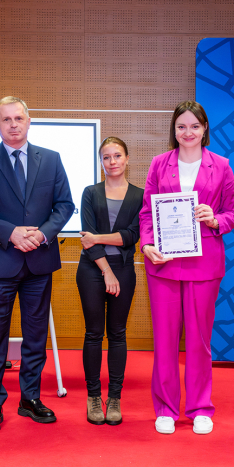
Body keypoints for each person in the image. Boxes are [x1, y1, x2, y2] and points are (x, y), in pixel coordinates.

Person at [0, 96, 74, 434]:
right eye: (6, 119)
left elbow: (64, 205)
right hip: (0, 262)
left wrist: (41, 235)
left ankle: (30, 398)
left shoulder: (51, 160)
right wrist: (11, 233)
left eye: (19, 118)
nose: (13, 124)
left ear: (29, 121)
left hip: (39, 261)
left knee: (35, 336)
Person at [139, 100, 234, 436]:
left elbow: (233, 214)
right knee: (165, 340)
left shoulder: (221, 166)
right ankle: (166, 408)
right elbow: (146, 213)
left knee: (199, 341)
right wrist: (147, 244)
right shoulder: (158, 164)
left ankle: (199, 407)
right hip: (164, 265)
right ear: (174, 130)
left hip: (204, 265)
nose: (188, 133)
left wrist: (215, 219)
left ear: (204, 129)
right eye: (181, 127)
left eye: (194, 126)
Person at [77, 136, 143, 425]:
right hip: (92, 269)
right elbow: (86, 238)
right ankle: (93, 398)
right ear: (101, 161)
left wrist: (98, 238)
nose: (112, 162)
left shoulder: (140, 196)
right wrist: (106, 270)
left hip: (125, 269)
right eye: (106, 157)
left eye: (117, 156)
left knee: (117, 333)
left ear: (127, 159)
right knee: (93, 333)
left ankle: (114, 398)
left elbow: (131, 236)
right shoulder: (90, 193)